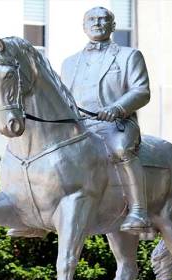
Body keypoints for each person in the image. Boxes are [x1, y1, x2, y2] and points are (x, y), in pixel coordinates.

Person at [60, 6, 151, 234]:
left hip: (115, 124)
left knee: (121, 150)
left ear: (113, 26)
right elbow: (63, 97)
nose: (98, 23)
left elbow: (141, 91)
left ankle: (138, 209)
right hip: (80, 126)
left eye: (103, 19)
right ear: (84, 26)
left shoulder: (129, 56)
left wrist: (117, 108)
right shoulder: (69, 63)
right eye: (92, 19)